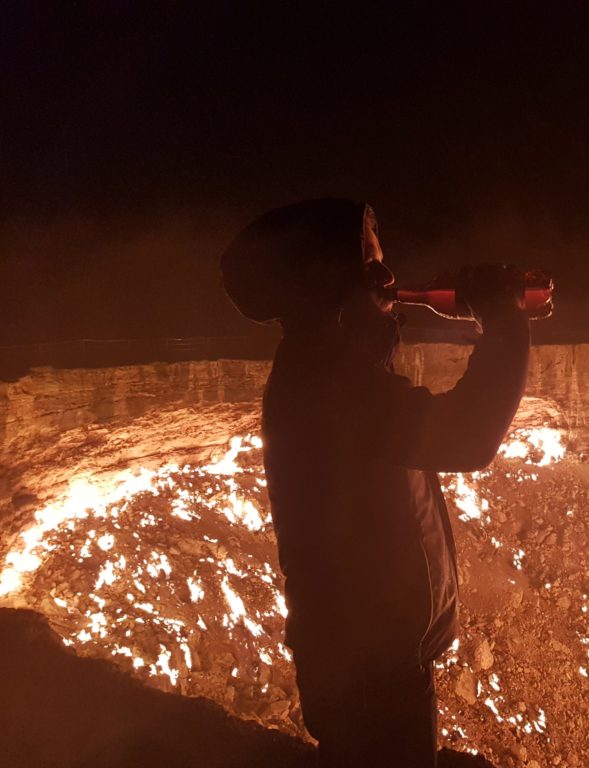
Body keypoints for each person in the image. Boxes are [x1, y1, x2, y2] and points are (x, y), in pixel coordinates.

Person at [221, 198, 537, 767]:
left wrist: (375, 333)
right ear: (323, 278)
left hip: (367, 654)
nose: (387, 277)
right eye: (367, 260)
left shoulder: (328, 370)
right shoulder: (326, 382)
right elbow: (469, 437)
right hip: (368, 662)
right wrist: (504, 318)